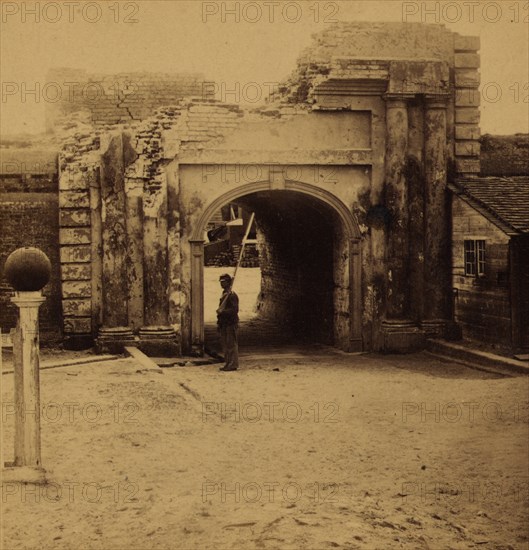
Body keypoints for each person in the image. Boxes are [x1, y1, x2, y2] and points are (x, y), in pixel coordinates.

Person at [216, 273, 239, 372]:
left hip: (230, 322)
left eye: (224, 282)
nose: (221, 284)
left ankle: (233, 364)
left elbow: (234, 310)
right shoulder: (225, 294)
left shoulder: (232, 295)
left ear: (228, 282)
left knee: (231, 344)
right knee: (225, 344)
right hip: (224, 323)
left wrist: (223, 312)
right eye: (221, 282)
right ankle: (228, 363)